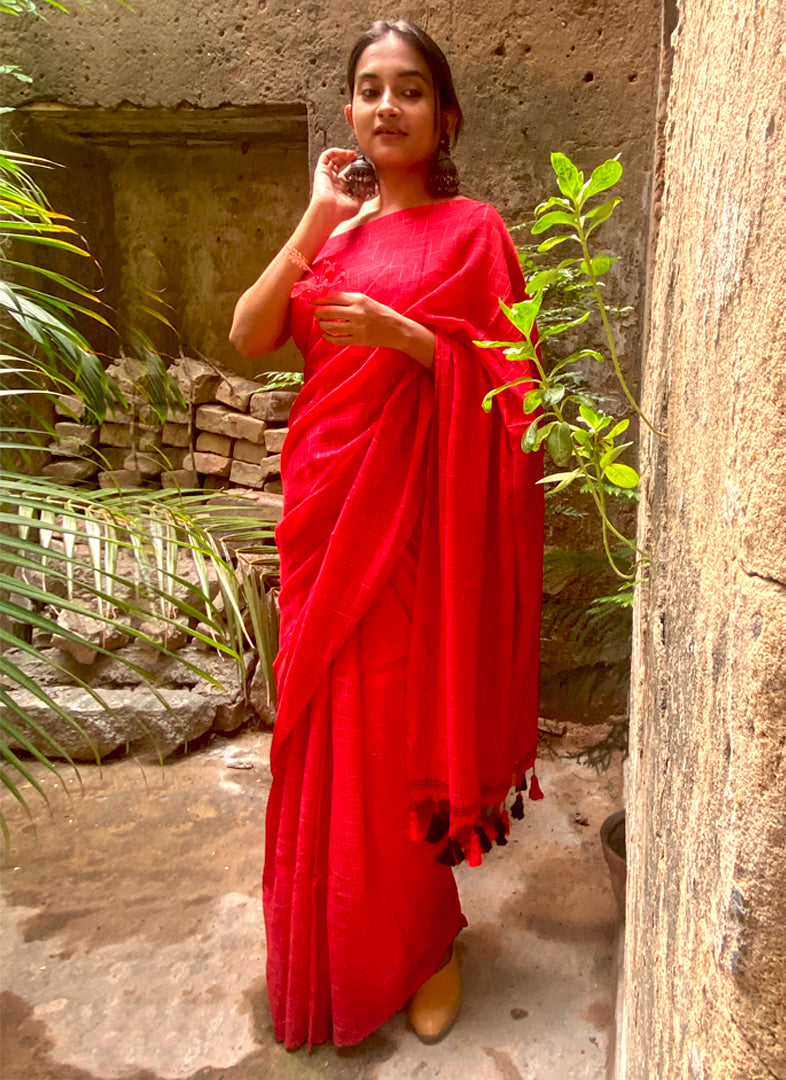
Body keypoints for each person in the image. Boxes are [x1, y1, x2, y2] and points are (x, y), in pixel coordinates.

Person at [229, 19, 544, 1051]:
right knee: (320, 741)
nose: (387, 107)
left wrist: (416, 344)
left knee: (396, 740)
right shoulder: (337, 236)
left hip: (413, 535)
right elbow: (249, 332)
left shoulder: (474, 232)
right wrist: (317, 217)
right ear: (349, 112)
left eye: (410, 90)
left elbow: (517, 397)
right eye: (369, 89)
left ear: (445, 116)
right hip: (325, 519)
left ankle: (424, 943)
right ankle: (329, 936)